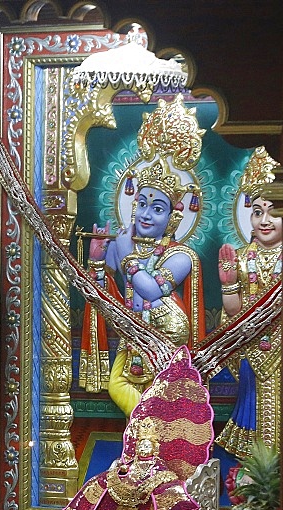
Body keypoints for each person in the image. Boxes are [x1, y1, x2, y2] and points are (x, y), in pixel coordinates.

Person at [57, 346, 213, 510]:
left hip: (152, 483)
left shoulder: (160, 463)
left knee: (165, 493)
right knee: (99, 483)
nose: (143, 449)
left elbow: (167, 476)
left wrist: (150, 479)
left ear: (156, 447)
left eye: (148, 446)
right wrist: (120, 472)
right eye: (141, 445)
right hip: (129, 479)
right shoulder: (134, 451)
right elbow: (125, 465)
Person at [86, 154, 204, 416]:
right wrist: (96, 261)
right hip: (133, 334)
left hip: (166, 333)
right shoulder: (123, 246)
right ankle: (143, 435)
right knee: (117, 386)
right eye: (142, 204)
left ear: (173, 219)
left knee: (160, 390)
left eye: (158, 209)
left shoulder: (181, 256)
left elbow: (150, 289)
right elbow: (101, 296)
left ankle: (148, 440)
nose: (146, 215)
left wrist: (127, 255)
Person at [216, 147, 282, 457]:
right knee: (253, 408)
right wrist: (229, 285)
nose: (264, 220)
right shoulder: (241, 259)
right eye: (257, 211)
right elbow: (234, 312)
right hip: (253, 352)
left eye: (273, 211)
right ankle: (255, 479)